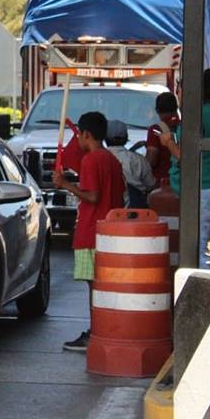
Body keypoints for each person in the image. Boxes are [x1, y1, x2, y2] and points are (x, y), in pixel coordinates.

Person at [52, 112, 124, 352]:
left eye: (80, 135)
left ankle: (96, 332)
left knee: (94, 286)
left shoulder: (91, 160)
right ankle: (103, 330)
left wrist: (66, 185)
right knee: (103, 286)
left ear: (86, 134)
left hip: (92, 230)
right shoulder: (112, 160)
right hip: (110, 232)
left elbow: (92, 196)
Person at [158, 69, 210, 269]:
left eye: (181, 88)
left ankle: (205, 296)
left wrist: (168, 143)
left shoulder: (195, 116)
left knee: (200, 248)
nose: (179, 93)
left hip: (200, 186)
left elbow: (186, 157)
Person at [106, 120, 156, 208]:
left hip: (107, 212)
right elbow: (150, 184)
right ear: (126, 138)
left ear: (105, 138)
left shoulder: (99, 159)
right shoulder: (138, 160)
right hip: (134, 212)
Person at [145, 92, 181, 185]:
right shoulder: (183, 127)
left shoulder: (155, 130)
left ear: (157, 110)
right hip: (182, 180)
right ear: (176, 108)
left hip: (162, 183)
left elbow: (151, 160)